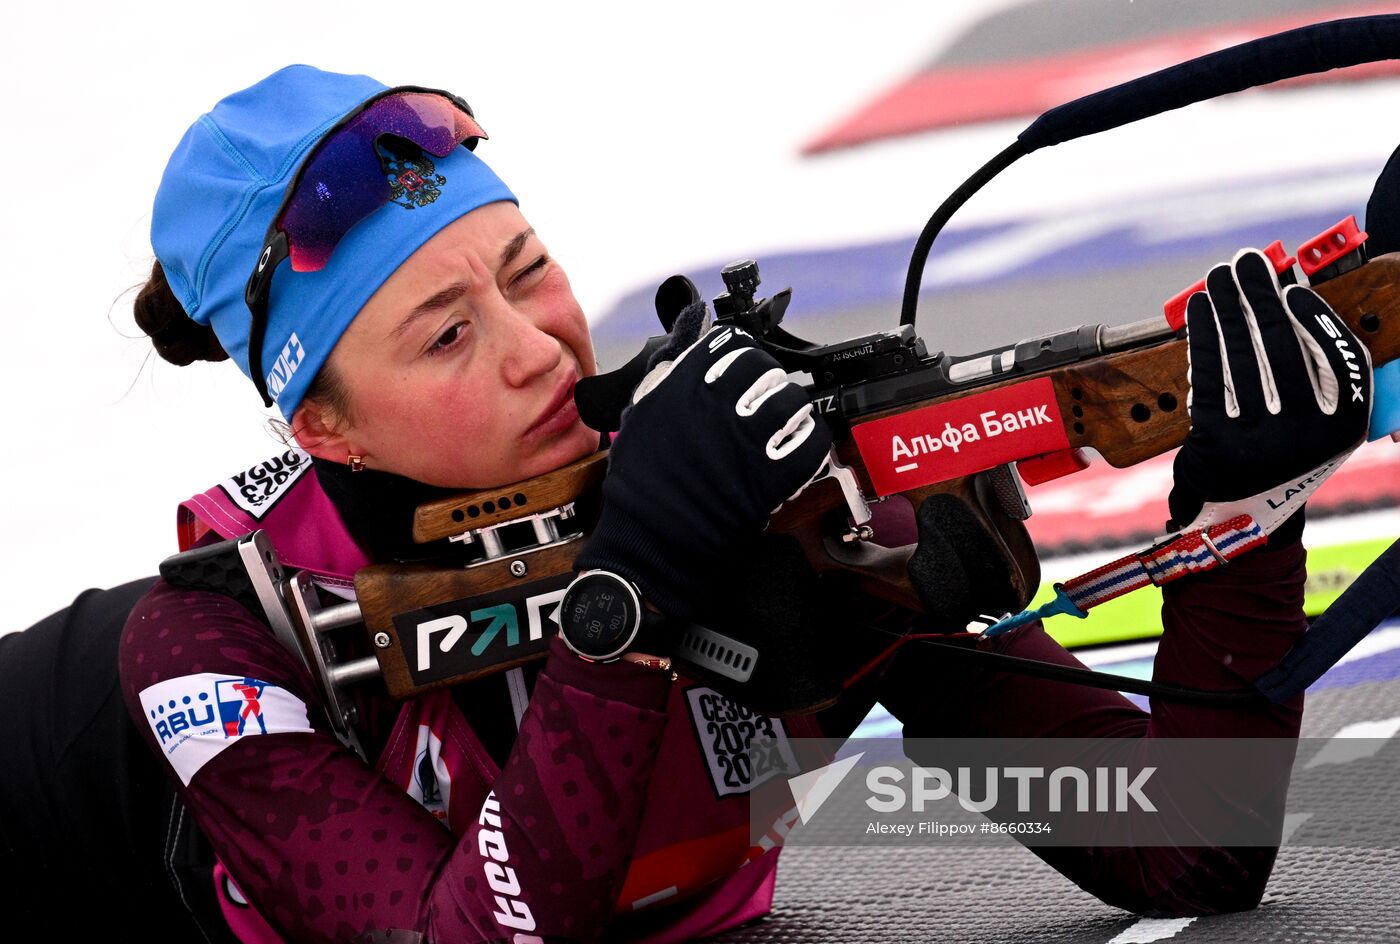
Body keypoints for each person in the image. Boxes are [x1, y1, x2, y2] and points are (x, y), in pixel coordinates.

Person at [0, 64, 1372, 943]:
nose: (538, 343)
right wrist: (633, 605)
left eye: (526, 268)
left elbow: (1188, 851)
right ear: (321, 426)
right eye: (442, 336)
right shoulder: (213, 643)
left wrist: (1242, 517)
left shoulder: (754, 486)